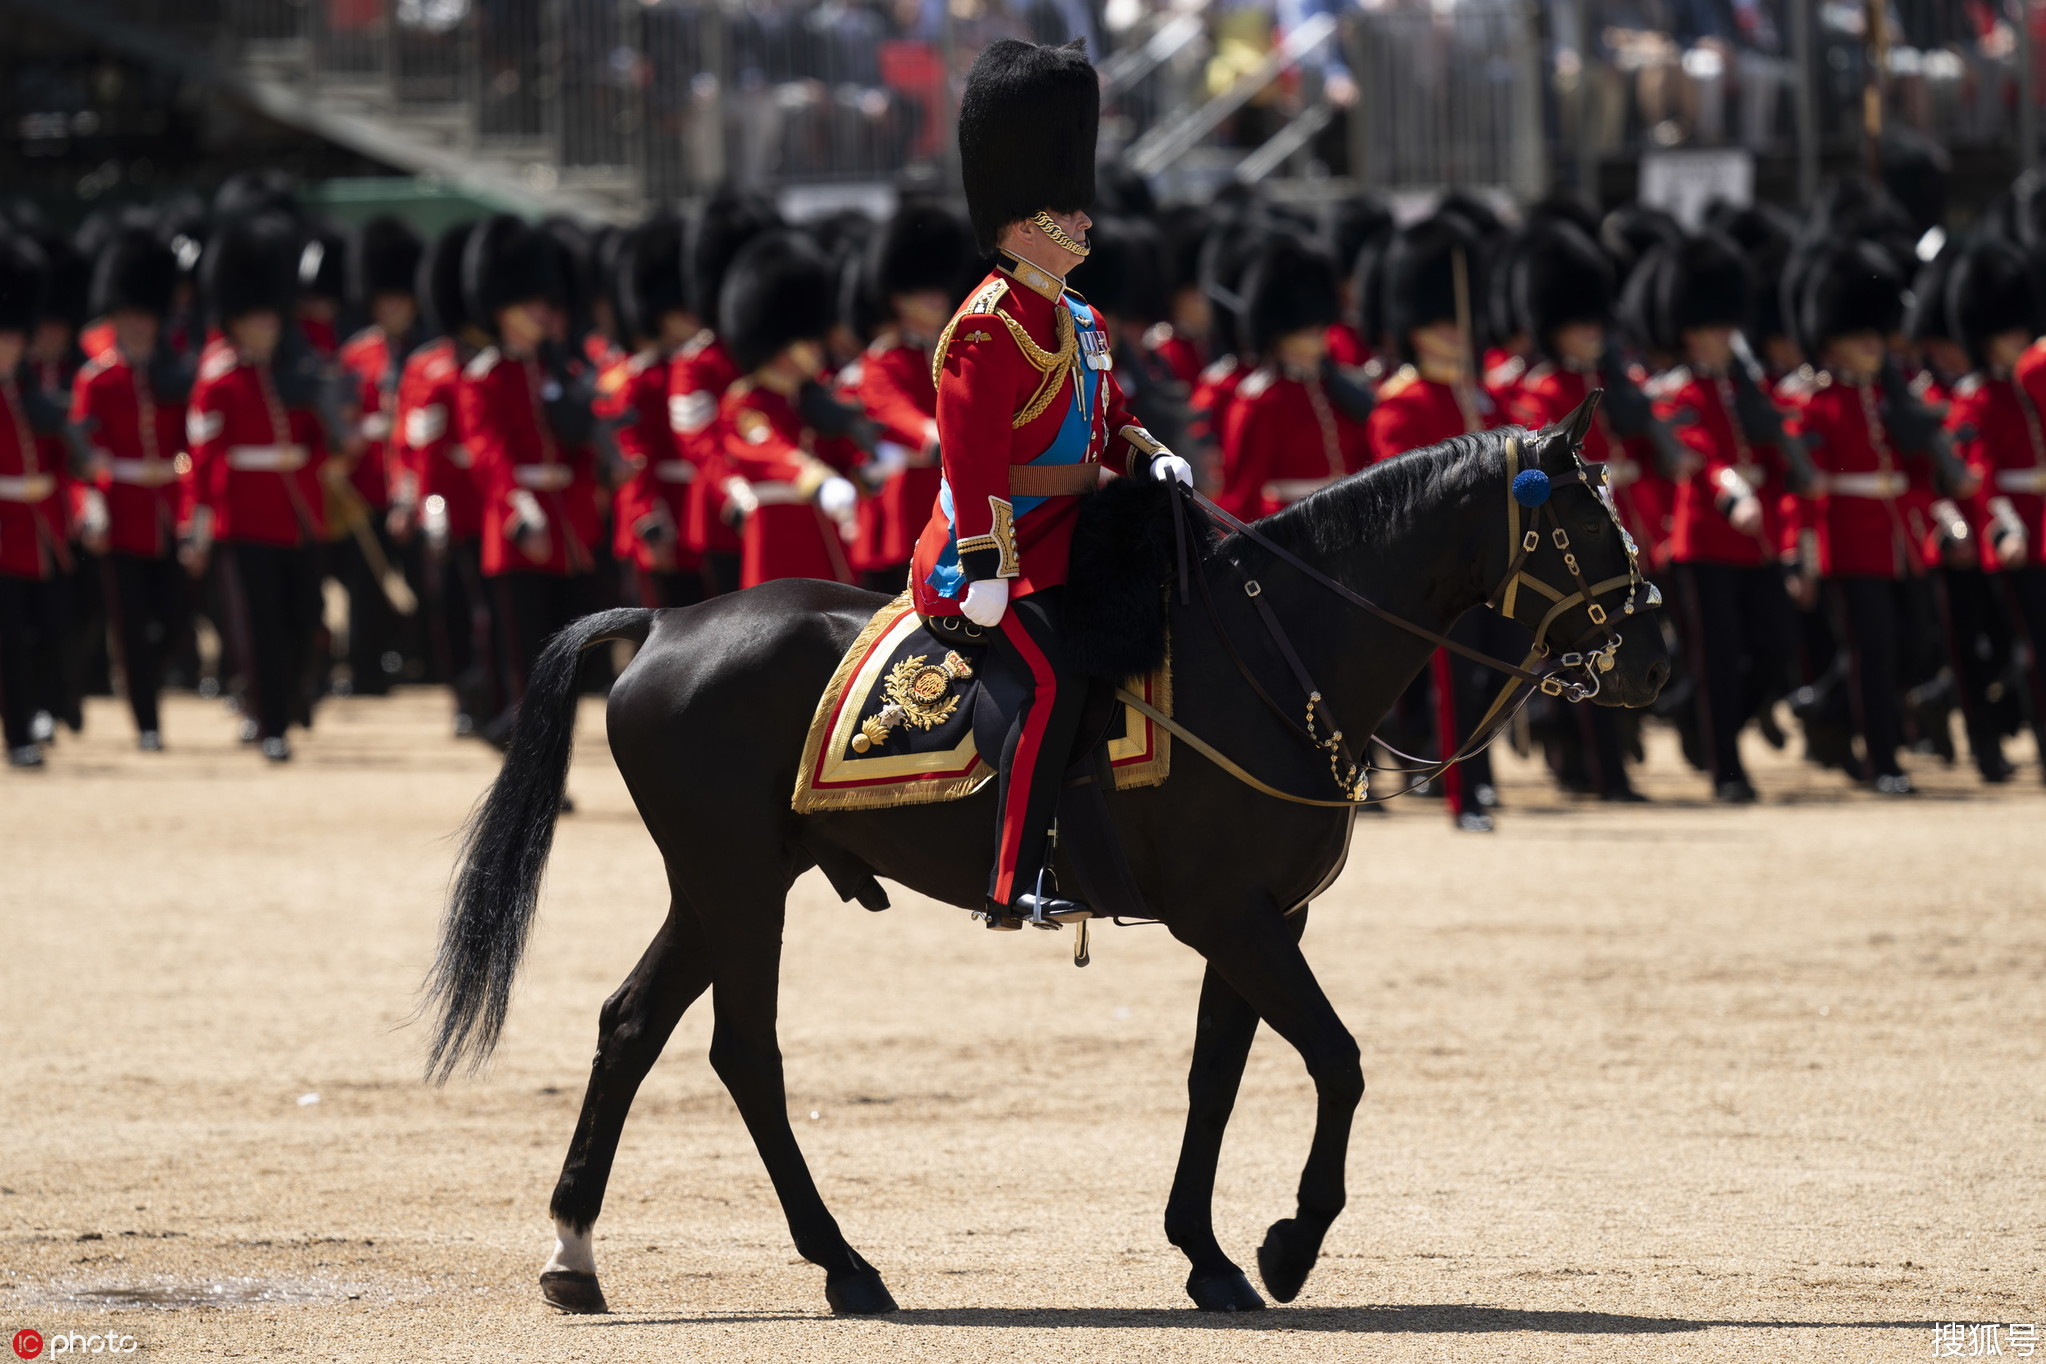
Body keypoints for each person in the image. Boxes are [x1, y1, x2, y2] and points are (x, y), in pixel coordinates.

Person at [909, 37, 1193, 930]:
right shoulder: (982, 329)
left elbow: (1109, 421)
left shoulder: (1081, 316)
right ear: (1023, 219)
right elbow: (972, 460)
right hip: (994, 556)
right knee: (1051, 681)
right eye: (1069, 211)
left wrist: (1151, 455)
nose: (1087, 222)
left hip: (1080, 533)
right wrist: (987, 566)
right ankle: (1010, 883)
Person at [1639, 232, 1814, 802]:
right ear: (1690, 333)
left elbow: (1771, 458)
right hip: (1705, 538)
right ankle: (1727, 769)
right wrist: (1730, 488)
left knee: (1774, 649)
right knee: (1716, 656)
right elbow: (1695, 454)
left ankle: (1696, 718)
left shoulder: (1747, 390)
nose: (1725, 337)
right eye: (1715, 329)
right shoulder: (1677, 391)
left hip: (1755, 540)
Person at [1364, 215, 1511, 829]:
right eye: (1444, 323)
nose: (1456, 333)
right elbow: (1400, 484)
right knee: (1455, 683)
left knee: (1499, 674)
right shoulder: (1402, 404)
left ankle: (1471, 773)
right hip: (1439, 566)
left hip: (1494, 560)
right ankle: (1464, 792)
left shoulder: (1481, 399)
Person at [1780, 239, 1932, 794]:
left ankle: (1824, 706)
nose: (1873, 344)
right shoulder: (1814, 402)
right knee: (1874, 652)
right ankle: (1883, 762)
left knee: (1915, 643)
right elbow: (1804, 486)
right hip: (1847, 541)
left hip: (1898, 537)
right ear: (1833, 342)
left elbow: (1915, 469)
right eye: (1860, 336)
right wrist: (1803, 551)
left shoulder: (1891, 396)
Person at [185, 215, 331, 762]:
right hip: (242, 518)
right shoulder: (218, 377)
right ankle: (271, 723)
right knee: (260, 626)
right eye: (257, 315)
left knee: (302, 620)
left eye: (272, 314)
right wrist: (195, 526)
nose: (267, 325)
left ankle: (281, 702)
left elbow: (319, 444)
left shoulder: (292, 372)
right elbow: (202, 459)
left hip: (298, 514)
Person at [457, 215, 601, 742]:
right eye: (532, 303)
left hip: (565, 530)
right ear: (504, 309)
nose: (543, 312)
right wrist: (522, 508)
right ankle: (524, 756)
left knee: (565, 666)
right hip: (521, 531)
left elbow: (577, 452)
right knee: (527, 665)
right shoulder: (486, 376)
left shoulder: (555, 372)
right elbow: (486, 455)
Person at [71, 227, 193, 750]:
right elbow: (83, 456)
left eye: (147, 316)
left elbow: (193, 444)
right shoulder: (97, 380)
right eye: (131, 316)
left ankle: (150, 685)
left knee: (176, 619)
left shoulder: (173, 376)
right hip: (120, 516)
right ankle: (147, 722)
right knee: (129, 627)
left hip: (166, 510)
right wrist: (93, 502)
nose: (140, 326)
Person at [1946, 237, 2046, 783]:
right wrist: (2005, 528)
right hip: (2011, 534)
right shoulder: (1977, 397)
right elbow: (1980, 478)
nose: (2018, 338)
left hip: (2043, 525)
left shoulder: (2032, 384)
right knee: (2020, 647)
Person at [714, 230, 866, 588]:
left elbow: (837, 449)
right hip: (778, 538)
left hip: (828, 540)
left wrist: (862, 454)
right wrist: (817, 479)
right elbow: (767, 449)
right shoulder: (746, 400)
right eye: (806, 339)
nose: (815, 348)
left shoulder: (807, 396)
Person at [393, 222, 498, 738]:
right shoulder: (428, 368)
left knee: (493, 612)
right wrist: (426, 507)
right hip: (452, 506)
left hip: (494, 503)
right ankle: (463, 695)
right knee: (453, 607)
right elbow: (415, 447)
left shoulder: (497, 364)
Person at [842, 198, 977, 589]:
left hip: (948, 498)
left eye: (940, 290)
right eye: (925, 293)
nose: (938, 299)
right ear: (899, 298)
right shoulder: (883, 359)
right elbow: (890, 408)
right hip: (901, 505)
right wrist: (931, 434)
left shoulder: (952, 348)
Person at [670, 191, 782, 597]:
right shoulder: (697, 361)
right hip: (726, 516)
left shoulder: (776, 354)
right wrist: (734, 491)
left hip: (783, 511)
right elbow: (696, 440)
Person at [1216, 234, 1371, 521]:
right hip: (1290, 534)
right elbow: (1242, 497)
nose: (1316, 328)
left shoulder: (1337, 390)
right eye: (1304, 323)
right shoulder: (1259, 401)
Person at [335, 216, 428, 696]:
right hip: (370, 485)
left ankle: (425, 662)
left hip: (417, 487)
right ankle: (366, 669)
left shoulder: (426, 352)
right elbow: (346, 419)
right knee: (367, 588)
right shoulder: (357, 355)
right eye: (385, 299)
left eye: (399, 299)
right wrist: (370, 428)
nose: (392, 308)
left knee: (423, 579)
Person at [602, 215, 708, 609]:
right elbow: (634, 456)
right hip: (662, 513)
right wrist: (648, 517)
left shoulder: (702, 368)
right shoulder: (638, 378)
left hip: (699, 512)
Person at [0, 233, 77, 768]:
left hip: (39, 527)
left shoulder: (32, 395)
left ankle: (41, 712)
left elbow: (61, 465)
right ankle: (20, 733)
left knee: (50, 631)